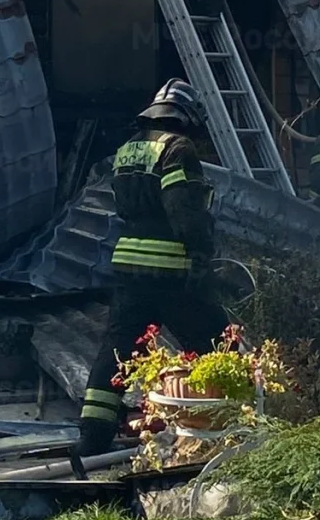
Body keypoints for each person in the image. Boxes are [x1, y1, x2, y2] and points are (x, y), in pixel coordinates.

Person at [75, 78, 226, 458]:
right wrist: (201, 253)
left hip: (129, 266)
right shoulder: (178, 148)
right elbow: (183, 208)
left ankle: (93, 434)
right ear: (187, 116)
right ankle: (228, 422)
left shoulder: (129, 149)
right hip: (171, 268)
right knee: (217, 342)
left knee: (117, 350)